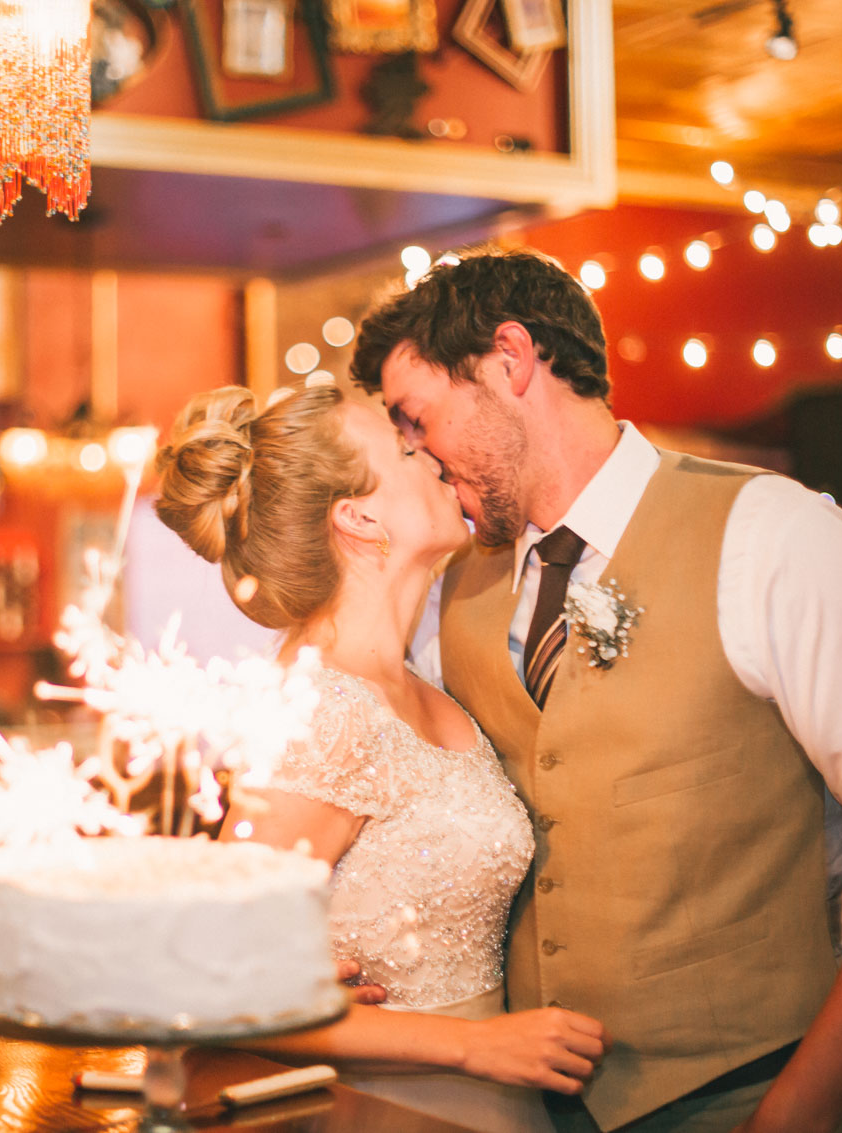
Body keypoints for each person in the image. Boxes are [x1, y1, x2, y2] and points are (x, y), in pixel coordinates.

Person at [348, 246, 842, 1133]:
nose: (416, 455)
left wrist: (793, 1116)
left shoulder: (772, 535)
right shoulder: (450, 592)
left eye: (416, 418)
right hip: (527, 1110)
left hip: (749, 1098)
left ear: (510, 360)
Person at [153, 381, 606, 1132]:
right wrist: (474, 1045)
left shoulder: (427, 684)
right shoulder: (321, 711)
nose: (429, 452)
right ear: (358, 517)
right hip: (400, 1107)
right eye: (402, 448)